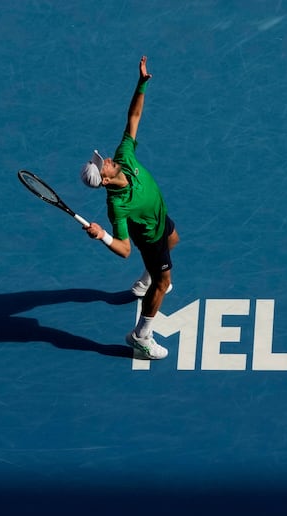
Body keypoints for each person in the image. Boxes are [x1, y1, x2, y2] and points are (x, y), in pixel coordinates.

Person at [80, 55, 179, 360]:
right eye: (102, 165)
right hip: (149, 237)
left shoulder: (123, 155)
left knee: (174, 239)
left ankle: (145, 280)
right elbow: (124, 249)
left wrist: (141, 84)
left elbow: (133, 118)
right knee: (164, 284)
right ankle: (141, 336)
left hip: (159, 219)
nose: (105, 160)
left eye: (102, 160)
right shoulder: (117, 207)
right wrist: (102, 236)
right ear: (105, 182)